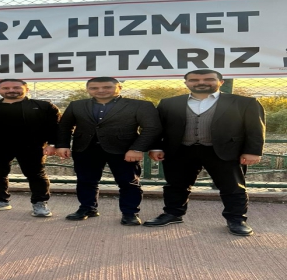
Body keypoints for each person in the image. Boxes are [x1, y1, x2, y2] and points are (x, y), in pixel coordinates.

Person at [144, 69, 265, 236]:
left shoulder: (244, 102)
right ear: (186, 83)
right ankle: (173, 214)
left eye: (208, 79)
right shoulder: (168, 103)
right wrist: (156, 147)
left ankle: (237, 219)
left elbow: (255, 128)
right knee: (175, 185)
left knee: (232, 187)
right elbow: (158, 127)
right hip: (180, 150)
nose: (201, 82)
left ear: (221, 82)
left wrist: (252, 151)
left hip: (224, 151)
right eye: (194, 80)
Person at [55, 77, 161, 225]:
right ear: (88, 89)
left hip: (124, 151)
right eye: (94, 88)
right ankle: (87, 208)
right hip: (85, 149)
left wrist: (137, 149)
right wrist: (63, 145)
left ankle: (130, 213)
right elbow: (65, 126)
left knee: (128, 183)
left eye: (107, 87)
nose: (100, 90)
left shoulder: (140, 105)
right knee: (85, 181)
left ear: (119, 88)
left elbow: (151, 128)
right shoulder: (76, 105)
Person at [0, 79, 60, 217]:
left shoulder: (44, 106)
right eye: (6, 88)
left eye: (16, 87)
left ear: (26, 89)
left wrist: (52, 144)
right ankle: (0, 200)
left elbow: (57, 127)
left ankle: (40, 203)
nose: (11, 90)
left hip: (32, 146)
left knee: (36, 174)